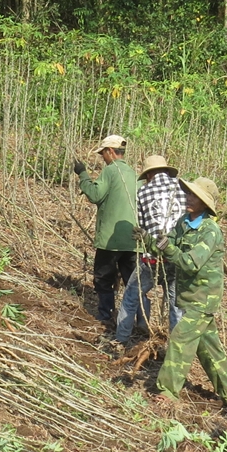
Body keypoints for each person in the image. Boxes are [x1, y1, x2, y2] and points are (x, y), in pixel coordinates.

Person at [153, 177, 227, 407]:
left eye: (194, 196)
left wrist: (167, 248)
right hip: (189, 296)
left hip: (203, 299)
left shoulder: (210, 230)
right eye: (188, 193)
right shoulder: (183, 222)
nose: (188, 197)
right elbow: (166, 245)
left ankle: (168, 392)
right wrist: (148, 239)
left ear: (205, 203)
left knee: (180, 339)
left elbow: (190, 263)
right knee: (208, 348)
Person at [113, 155, 185, 348]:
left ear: (150, 174)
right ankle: (176, 348)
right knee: (175, 305)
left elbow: (142, 227)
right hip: (176, 257)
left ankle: (121, 340)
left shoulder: (143, 192)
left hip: (152, 259)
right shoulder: (183, 189)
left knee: (130, 297)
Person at [74, 135, 138, 325]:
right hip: (133, 239)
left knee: (103, 278)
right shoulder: (134, 174)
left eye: (103, 154)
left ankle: (105, 316)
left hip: (111, 239)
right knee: (132, 283)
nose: (103, 158)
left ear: (110, 152)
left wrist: (82, 174)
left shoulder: (111, 171)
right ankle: (138, 320)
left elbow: (95, 195)